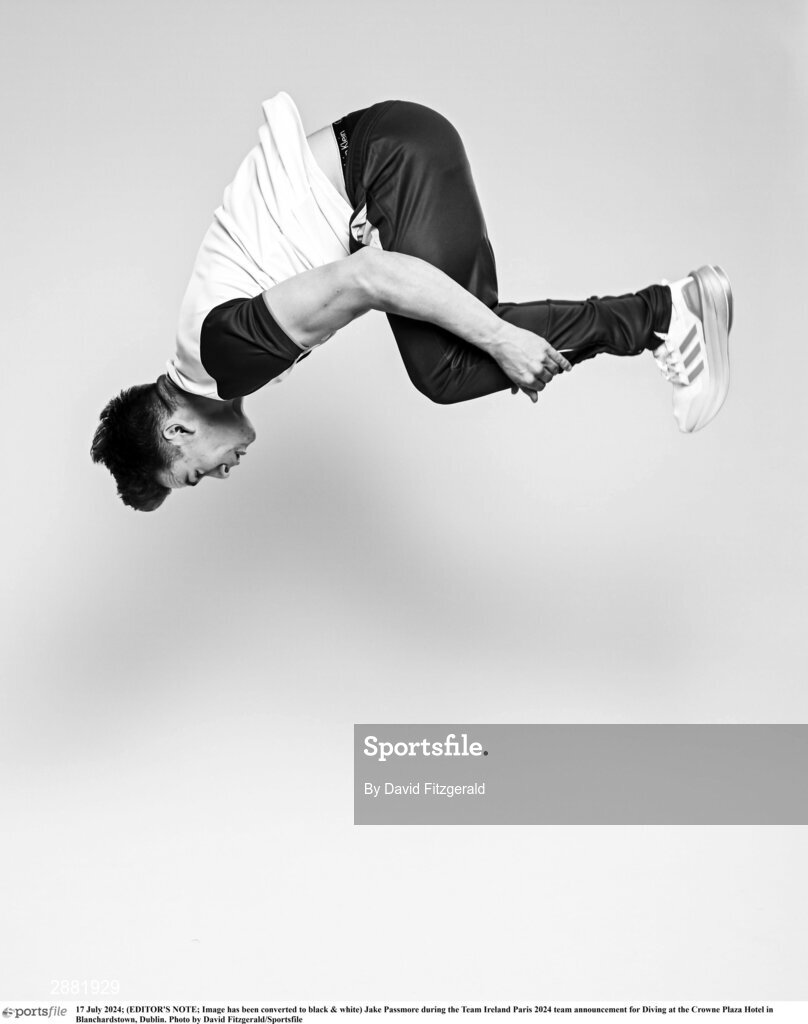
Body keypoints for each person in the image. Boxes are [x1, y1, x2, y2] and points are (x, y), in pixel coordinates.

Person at [91, 93, 733, 511]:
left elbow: (371, 278)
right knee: (451, 353)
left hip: (390, 156)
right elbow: (345, 271)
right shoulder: (212, 354)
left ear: (177, 430)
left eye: (196, 475)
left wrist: (504, 341)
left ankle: (667, 314)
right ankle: (660, 315)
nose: (221, 474)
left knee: (450, 366)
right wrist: (360, 243)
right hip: (383, 161)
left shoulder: (224, 357)